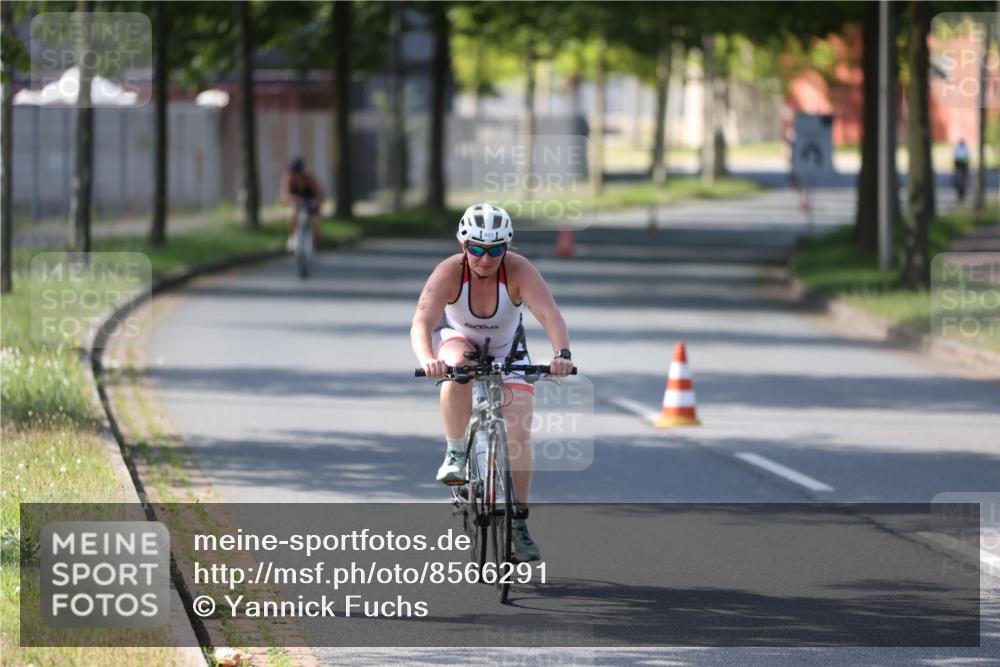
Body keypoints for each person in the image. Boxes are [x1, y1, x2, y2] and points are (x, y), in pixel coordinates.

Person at [410, 203, 574, 562]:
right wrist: (429, 361)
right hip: (457, 340)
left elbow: (549, 313)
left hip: (508, 349)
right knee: (460, 369)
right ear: (463, 244)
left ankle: (518, 522)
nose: (485, 258)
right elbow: (421, 324)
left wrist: (562, 354)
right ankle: (455, 454)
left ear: (507, 247)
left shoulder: (519, 270)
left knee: (518, 431)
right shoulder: (448, 272)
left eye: (496, 249)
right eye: (477, 249)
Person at [279, 158, 324, 251]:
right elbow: (284, 194)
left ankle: (313, 250)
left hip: (310, 202)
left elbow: (319, 193)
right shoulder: (288, 178)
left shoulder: (309, 178)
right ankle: (292, 237)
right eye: (294, 173)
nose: (296, 176)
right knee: (293, 214)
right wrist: (292, 199)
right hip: (297, 203)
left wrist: (316, 202)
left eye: (298, 173)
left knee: (315, 227)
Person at [953, 139, 970, 203]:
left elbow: (955, 158)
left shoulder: (958, 148)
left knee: (960, 179)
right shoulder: (964, 148)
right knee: (963, 179)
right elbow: (967, 158)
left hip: (960, 165)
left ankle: (961, 194)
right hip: (962, 165)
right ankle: (961, 194)